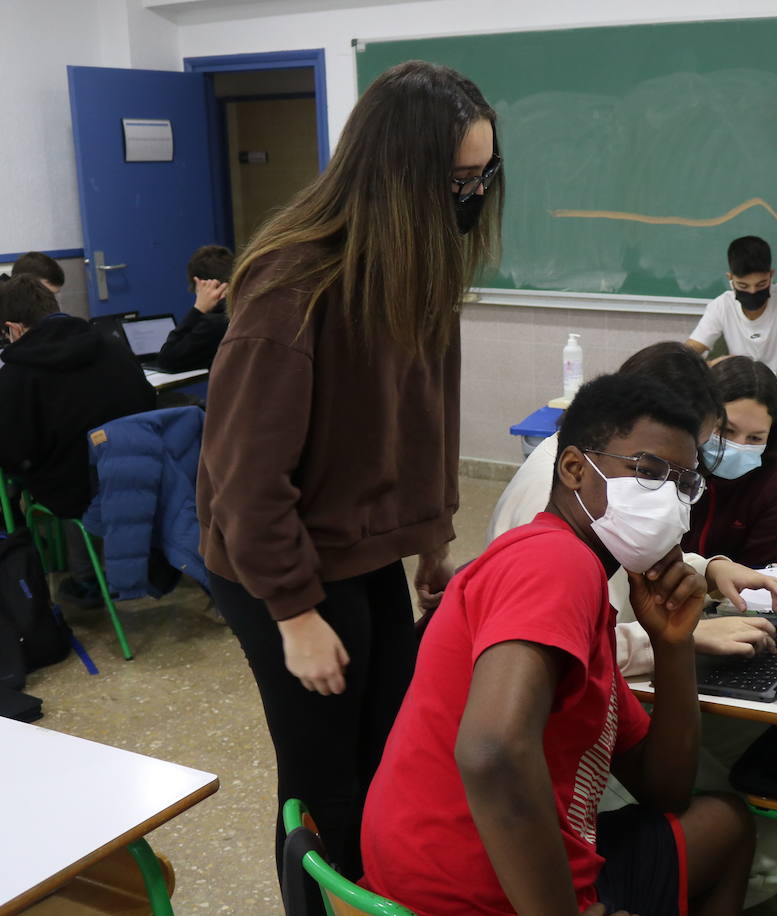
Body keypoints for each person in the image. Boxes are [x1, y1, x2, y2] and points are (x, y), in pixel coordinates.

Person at [196, 60, 504, 895]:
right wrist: (295, 612)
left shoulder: (417, 262)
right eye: (456, 179)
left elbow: (425, 417)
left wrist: (431, 536)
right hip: (275, 560)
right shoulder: (293, 282)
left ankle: (372, 897)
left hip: (358, 544)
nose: (471, 196)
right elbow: (244, 478)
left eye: (482, 177)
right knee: (323, 782)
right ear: (397, 173)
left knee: (390, 753)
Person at [361, 372, 755, 915]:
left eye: (684, 483)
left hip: (438, 868)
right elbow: (492, 752)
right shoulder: (556, 560)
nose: (668, 498)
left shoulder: (587, 589)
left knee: (726, 822)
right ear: (574, 468)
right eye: (647, 471)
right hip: (470, 892)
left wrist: (673, 644)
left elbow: (664, 790)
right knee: (729, 826)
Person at [489, 341, 777, 676]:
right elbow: (560, 648)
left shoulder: (610, 475)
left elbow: (636, 561)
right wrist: (682, 640)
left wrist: (708, 571)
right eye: (653, 468)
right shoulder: (550, 503)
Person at [0, 275, 154, 519]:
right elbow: (149, 400)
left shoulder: (17, 373)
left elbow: (14, 455)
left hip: (80, 494)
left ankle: (36, 539)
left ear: (14, 329)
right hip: (145, 471)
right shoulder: (113, 345)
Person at [686, 357, 777, 568]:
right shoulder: (673, 460)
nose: (738, 445)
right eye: (726, 430)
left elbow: (760, 572)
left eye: (755, 438)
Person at [686, 235, 777, 388]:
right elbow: (686, 355)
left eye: (761, 284)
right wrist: (713, 365)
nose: (752, 291)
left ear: (771, 275)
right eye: (743, 286)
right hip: (744, 389)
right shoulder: (721, 306)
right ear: (730, 278)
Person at [158, 245, 233, 372]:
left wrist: (198, 308)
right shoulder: (245, 307)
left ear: (200, 284)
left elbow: (167, 359)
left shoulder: (215, 322)